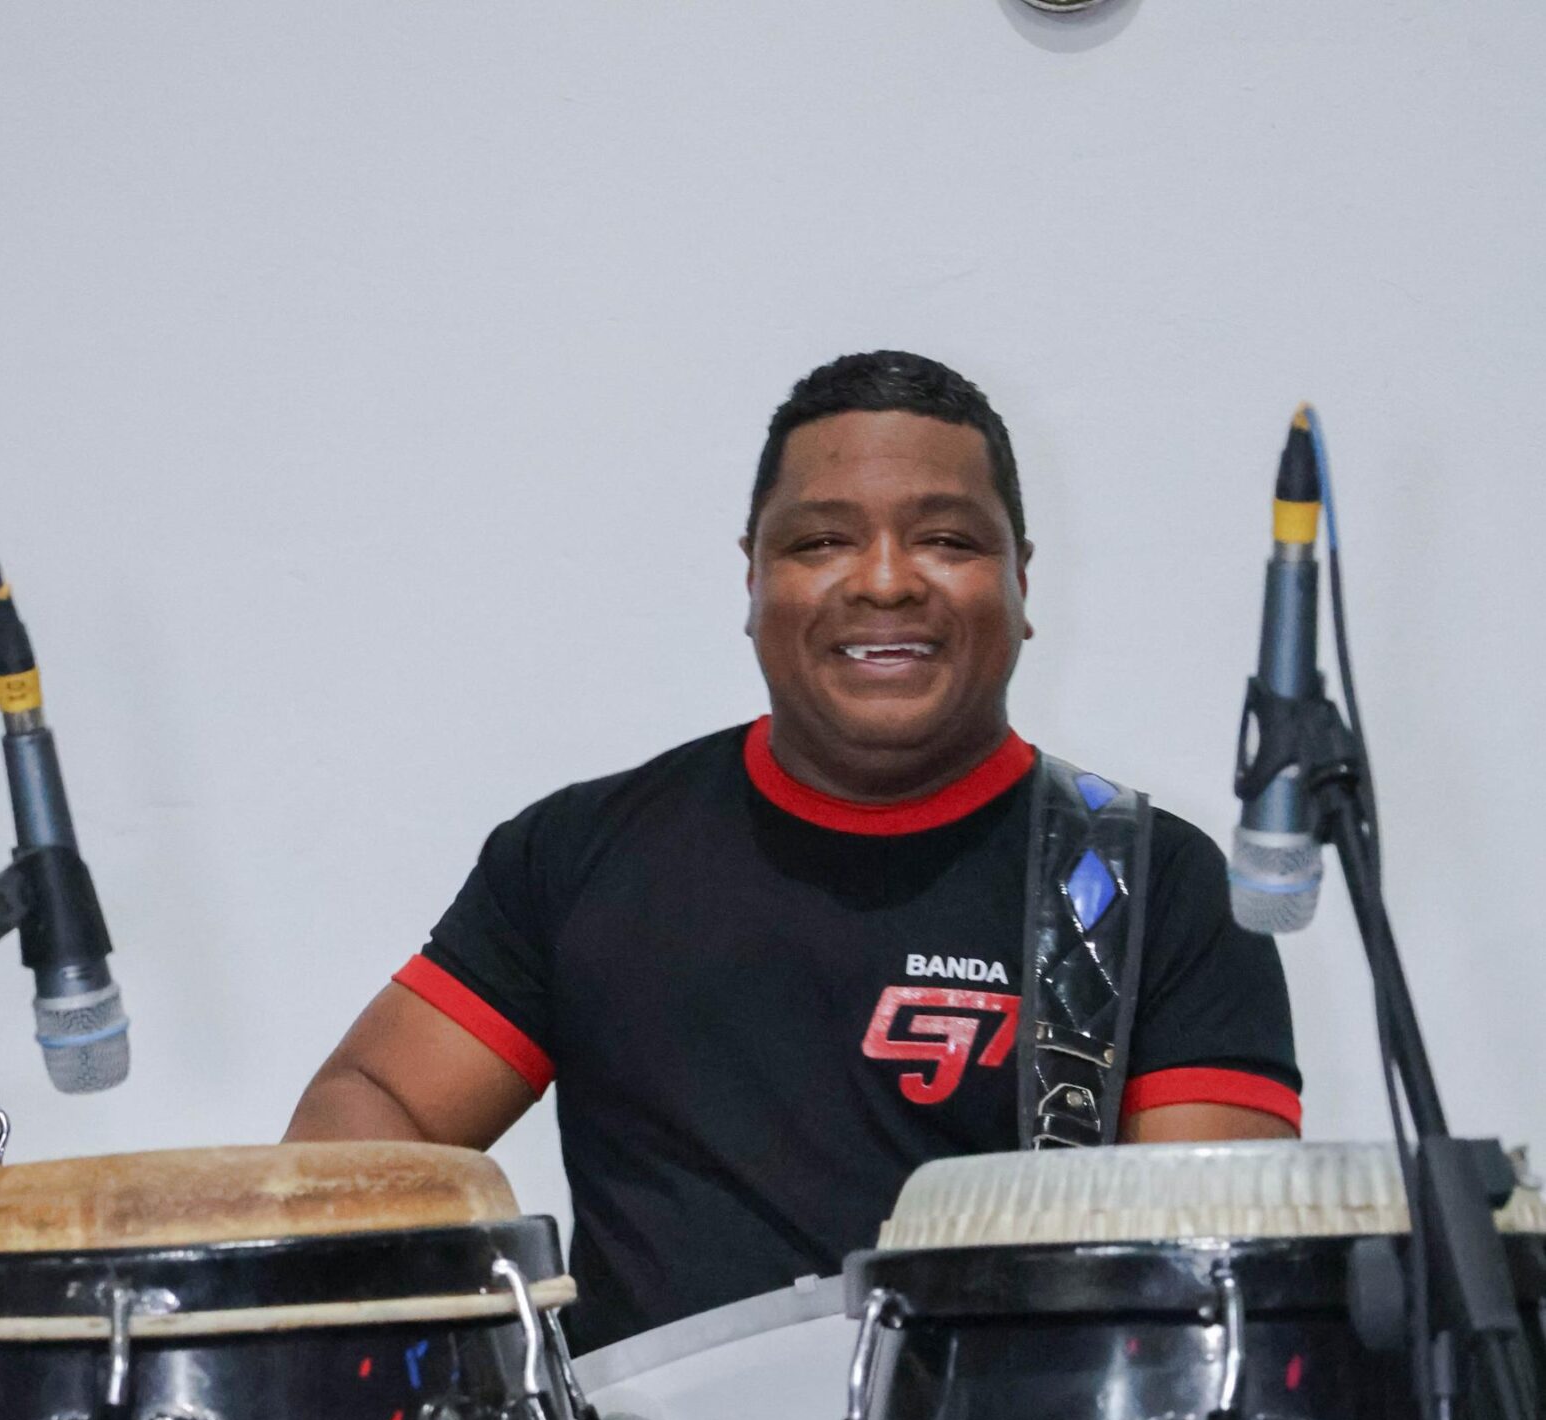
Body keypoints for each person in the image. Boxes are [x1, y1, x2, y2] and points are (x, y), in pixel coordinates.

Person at [288, 350, 1299, 1352]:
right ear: (754, 578)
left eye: (946, 539)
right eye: (822, 541)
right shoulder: (577, 854)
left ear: (1020, 582)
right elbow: (375, 1100)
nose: (886, 582)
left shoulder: (1148, 885)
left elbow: (1208, 1288)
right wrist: (453, 1305)